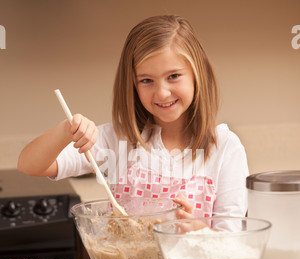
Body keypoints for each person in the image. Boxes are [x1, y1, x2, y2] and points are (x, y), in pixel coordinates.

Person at [18, 15, 249, 219]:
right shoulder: (118, 138)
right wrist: (65, 131)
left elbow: (232, 242)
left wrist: (196, 232)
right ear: (132, 85)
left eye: (174, 76)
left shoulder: (225, 148)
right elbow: (30, 165)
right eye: (146, 80)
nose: (162, 92)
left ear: (198, 75)